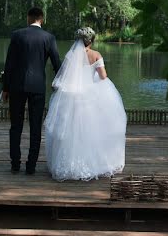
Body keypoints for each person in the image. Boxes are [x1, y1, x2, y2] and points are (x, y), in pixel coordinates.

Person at [44, 27, 126, 181]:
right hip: (91, 95)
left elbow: (65, 75)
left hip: (72, 95)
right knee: (93, 128)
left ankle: (68, 162)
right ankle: (93, 161)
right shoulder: (96, 55)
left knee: (71, 129)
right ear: (92, 40)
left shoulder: (71, 55)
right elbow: (103, 76)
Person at [2, 7, 62, 174]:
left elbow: (9, 64)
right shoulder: (49, 38)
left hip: (17, 86)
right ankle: (31, 166)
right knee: (35, 127)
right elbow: (57, 64)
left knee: (16, 126)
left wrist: (5, 88)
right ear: (41, 19)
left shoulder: (17, 35)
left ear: (28, 18)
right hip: (37, 87)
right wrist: (64, 83)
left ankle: (15, 164)